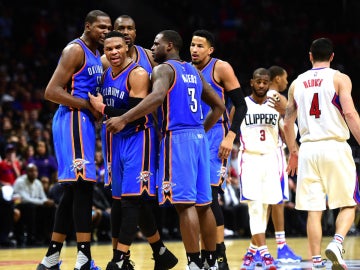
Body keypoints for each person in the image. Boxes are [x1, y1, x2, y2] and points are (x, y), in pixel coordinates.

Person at [105, 30, 226, 270]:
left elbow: (157, 97)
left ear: (169, 46)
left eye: (156, 43)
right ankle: (210, 262)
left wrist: (124, 119)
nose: (152, 48)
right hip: (199, 139)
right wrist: (201, 130)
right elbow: (220, 106)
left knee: (185, 205)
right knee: (205, 205)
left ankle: (193, 263)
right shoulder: (194, 71)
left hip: (178, 138)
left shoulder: (163, 69)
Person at [89, 30, 178, 270]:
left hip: (140, 138)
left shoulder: (138, 74)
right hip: (116, 142)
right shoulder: (106, 74)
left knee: (131, 201)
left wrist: (103, 108)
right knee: (121, 202)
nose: (114, 52)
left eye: (118, 47)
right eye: (109, 49)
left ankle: (119, 260)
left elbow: (137, 115)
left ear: (127, 48)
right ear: (105, 53)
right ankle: (161, 253)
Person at [36, 10, 112, 270]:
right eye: (101, 27)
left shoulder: (94, 55)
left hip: (83, 122)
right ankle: (83, 259)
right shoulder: (75, 50)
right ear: (87, 26)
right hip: (71, 120)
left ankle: (51, 259)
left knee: (73, 190)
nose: (105, 31)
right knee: (83, 187)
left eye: (109, 27)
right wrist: (86, 106)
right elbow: (51, 91)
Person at [284, 37, 360, 270]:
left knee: (314, 210)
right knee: (349, 203)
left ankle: (316, 260)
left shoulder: (297, 83)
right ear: (332, 56)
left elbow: (287, 123)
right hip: (334, 146)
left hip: (307, 149)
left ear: (310, 56)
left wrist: (293, 151)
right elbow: (349, 113)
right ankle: (337, 243)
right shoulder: (339, 78)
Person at [189, 29, 247, 270]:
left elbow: (241, 105)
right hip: (193, 135)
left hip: (216, 137)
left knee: (211, 197)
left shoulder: (220, 68)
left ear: (210, 50)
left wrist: (231, 137)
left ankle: (219, 257)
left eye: (200, 46)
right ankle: (203, 256)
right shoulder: (185, 69)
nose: (194, 49)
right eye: (192, 45)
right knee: (196, 201)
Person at [238, 68, 285, 270]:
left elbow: (287, 126)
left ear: (268, 84)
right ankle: (265, 254)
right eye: (258, 82)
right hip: (250, 158)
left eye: (265, 82)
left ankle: (251, 251)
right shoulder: (242, 104)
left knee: (265, 206)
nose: (262, 86)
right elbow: (230, 128)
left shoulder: (275, 104)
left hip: (271, 158)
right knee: (255, 207)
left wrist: (294, 151)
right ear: (252, 82)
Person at [266, 65, 302, 263]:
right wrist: (293, 149)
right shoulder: (277, 97)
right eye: (285, 78)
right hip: (274, 153)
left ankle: (259, 247)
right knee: (277, 202)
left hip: (265, 154)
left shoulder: (261, 97)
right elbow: (286, 126)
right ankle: (280, 247)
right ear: (277, 78)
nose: (287, 82)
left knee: (266, 204)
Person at [13, 163, 56, 245]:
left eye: (35, 171)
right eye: (31, 171)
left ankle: (47, 236)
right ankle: (31, 238)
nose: (33, 173)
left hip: (34, 205)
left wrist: (49, 202)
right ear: (26, 172)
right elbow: (25, 199)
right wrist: (43, 202)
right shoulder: (20, 182)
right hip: (20, 205)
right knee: (31, 207)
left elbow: (43, 197)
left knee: (50, 208)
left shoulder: (38, 182)